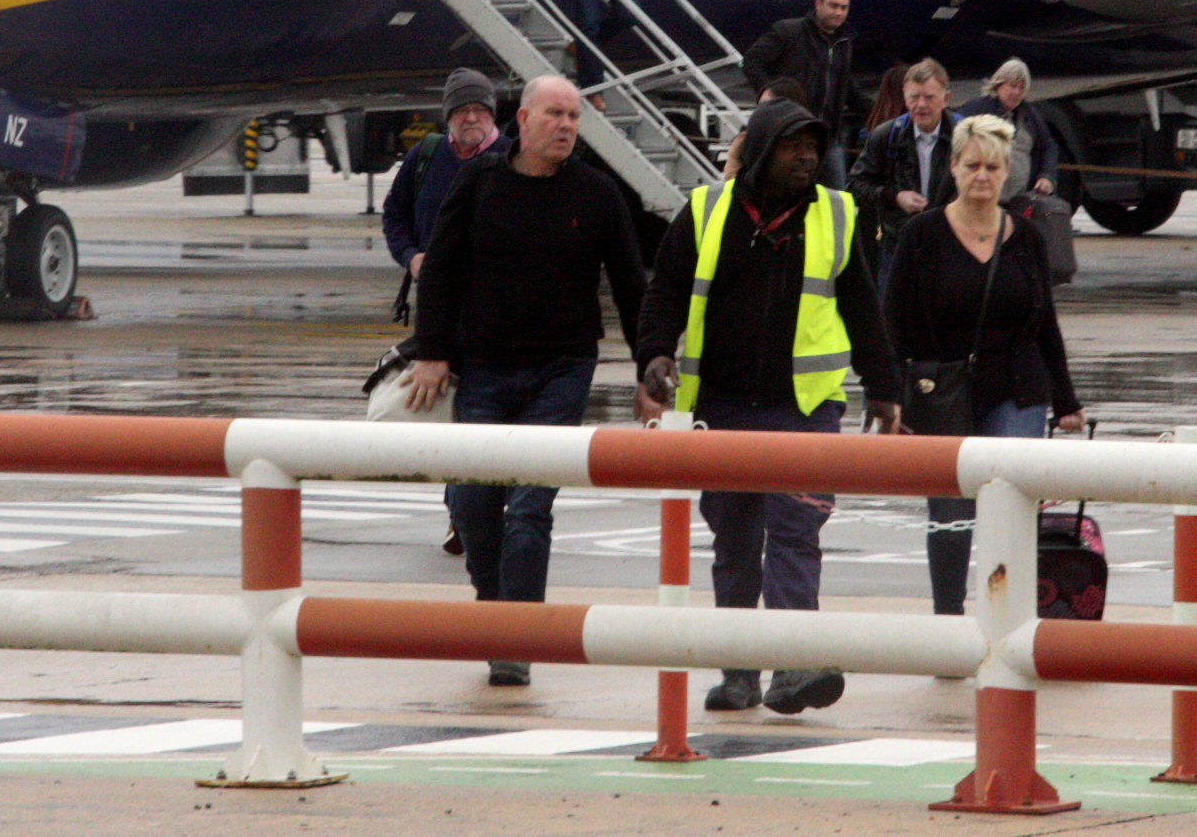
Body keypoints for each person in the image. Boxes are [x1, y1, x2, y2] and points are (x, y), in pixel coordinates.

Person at [633, 100, 898, 716]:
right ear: (759, 151)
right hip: (719, 408)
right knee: (734, 539)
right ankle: (739, 674)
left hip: (803, 408)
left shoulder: (836, 213)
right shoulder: (704, 211)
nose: (807, 157)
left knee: (795, 533)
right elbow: (665, 291)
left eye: (814, 146)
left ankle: (794, 668)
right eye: (792, 146)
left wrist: (885, 387)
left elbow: (862, 304)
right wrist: (653, 356)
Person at [405, 74, 645, 686]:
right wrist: (432, 352)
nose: (566, 126)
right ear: (524, 119)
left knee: (530, 509)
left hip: (561, 370)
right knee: (474, 503)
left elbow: (630, 285)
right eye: (555, 115)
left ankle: (519, 639)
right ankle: (496, 613)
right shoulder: (479, 181)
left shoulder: (596, 193)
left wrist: (650, 367)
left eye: (574, 118)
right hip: (483, 366)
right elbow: (440, 270)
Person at [882, 113, 1084, 616]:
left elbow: (1045, 325)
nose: (983, 176)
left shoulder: (1029, 240)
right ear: (952, 167)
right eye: (972, 165)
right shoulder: (920, 236)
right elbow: (891, 323)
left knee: (1012, 509)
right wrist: (889, 398)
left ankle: (1010, 620)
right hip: (942, 391)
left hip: (1016, 390)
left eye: (993, 167)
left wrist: (1066, 401)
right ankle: (948, 620)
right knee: (951, 516)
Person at [380, 69, 511, 321]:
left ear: (492, 114)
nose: (471, 117)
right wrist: (410, 256)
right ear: (448, 115)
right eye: (462, 110)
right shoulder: (425, 155)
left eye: (480, 109)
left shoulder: (513, 157)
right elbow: (395, 213)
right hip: (437, 299)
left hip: (499, 304)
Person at [740, 0, 859, 183]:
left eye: (844, 7)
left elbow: (845, 85)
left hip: (828, 139)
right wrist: (770, 95)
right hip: (791, 136)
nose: (838, 13)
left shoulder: (844, 42)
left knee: (836, 203)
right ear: (818, 3)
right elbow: (752, 61)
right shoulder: (788, 31)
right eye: (833, 5)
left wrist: (878, 110)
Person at [851, 59, 958, 252]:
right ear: (904, 97)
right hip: (899, 243)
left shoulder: (964, 137)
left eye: (929, 97)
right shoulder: (886, 136)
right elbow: (856, 186)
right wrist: (895, 197)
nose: (920, 105)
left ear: (946, 99)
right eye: (914, 97)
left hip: (949, 242)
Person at [954, 58, 1061, 201]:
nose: (1016, 92)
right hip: (980, 199)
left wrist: (1047, 176)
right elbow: (954, 140)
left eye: (1021, 88)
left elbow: (1049, 146)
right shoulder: (976, 109)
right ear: (998, 84)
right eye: (1012, 86)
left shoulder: (1030, 114)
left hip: (1020, 200)